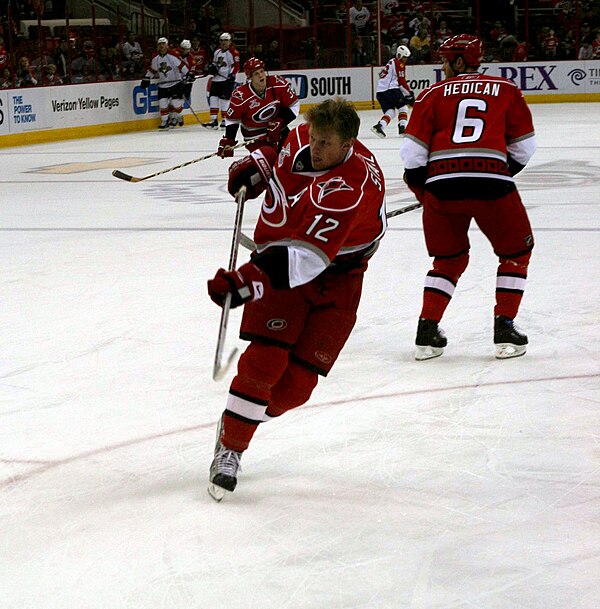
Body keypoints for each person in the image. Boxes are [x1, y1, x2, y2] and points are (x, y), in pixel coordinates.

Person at [206, 98, 387, 500]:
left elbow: (304, 259)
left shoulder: (350, 185)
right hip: (280, 253)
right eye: (315, 139)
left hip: (335, 274)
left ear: (349, 146)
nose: (316, 149)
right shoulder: (303, 135)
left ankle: (238, 417)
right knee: (264, 361)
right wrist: (260, 165)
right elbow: (280, 147)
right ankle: (231, 447)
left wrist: (243, 283)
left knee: (297, 388)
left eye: (326, 144)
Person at [399, 34, 536, 361]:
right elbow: (524, 147)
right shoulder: (506, 90)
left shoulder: (431, 94)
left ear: (460, 61)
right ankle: (505, 327)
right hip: (492, 186)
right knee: (517, 252)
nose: (443, 66)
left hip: (443, 187)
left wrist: (427, 192)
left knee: (448, 260)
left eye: (446, 60)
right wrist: (495, 173)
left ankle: (427, 332)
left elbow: (411, 157)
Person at [217, 57, 299, 158]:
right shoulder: (240, 96)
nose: (261, 75)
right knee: (269, 162)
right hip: (254, 135)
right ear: (250, 77)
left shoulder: (278, 84)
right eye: (256, 73)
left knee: (292, 158)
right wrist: (229, 139)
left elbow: (294, 105)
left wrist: (280, 122)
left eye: (262, 71)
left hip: (278, 131)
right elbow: (232, 120)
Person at [140, 36, 191, 129]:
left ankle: (179, 116)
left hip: (175, 83)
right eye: (159, 44)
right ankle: (164, 121)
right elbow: (153, 70)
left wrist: (188, 73)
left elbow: (181, 66)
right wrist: (146, 78)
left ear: (167, 46)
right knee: (162, 102)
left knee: (176, 103)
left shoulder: (173, 55)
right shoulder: (155, 58)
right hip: (162, 84)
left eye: (163, 44)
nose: (161, 46)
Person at [371, 44, 414, 138]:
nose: (406, 60)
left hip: (380, 92)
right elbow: (401, 81)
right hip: (390, 90)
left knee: (390, 112)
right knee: (403, 108)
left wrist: (407, 93)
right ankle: (402, 128)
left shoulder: (391, 62)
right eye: (405, 57)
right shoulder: (399, 64)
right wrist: (409, 94)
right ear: (399, 56)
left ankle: (379, 126)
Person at [202, 32, 240, 129]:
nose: (223, 42)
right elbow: (214, 64)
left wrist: (232, 75)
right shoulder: (217, 52)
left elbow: (236, 66)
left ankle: (224, 120)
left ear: (230, 41)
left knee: (224, 100)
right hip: (216, 80)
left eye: (226, 40)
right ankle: (214, 120)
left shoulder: (233, 52)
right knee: (213, 98)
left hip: (226, 80)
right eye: (222, 40)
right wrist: (212, 68)